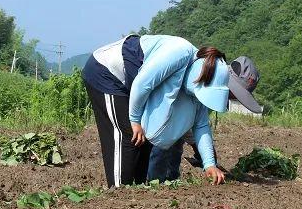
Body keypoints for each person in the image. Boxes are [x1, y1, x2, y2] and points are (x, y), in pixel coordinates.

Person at [82, 34, 261, 187]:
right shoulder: (179, 53)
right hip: (108, 74)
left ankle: (135, 195)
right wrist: (135, 119)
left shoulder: (203, 86)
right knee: (128, 137)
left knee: (143, 142)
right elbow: (143, 83)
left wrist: (209, 164)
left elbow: (201, 126)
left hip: (135, 88)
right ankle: (118, 194)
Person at [149, 56, 262, 181]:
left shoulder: (220, 94)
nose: (233, 97)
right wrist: (207, 158)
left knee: (176, 147)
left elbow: (200, 123)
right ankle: (153, 183)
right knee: (163, 147)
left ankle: (170, 179)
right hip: (164, 116)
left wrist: (208, 159)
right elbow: (187, 120)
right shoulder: (205, 80)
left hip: (181, 122)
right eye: (235, 92)